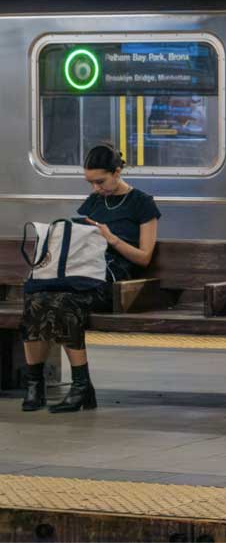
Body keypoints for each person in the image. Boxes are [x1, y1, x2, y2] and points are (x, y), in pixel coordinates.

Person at [21, 145, 160, 413]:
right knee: (36, 299)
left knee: (65, 303)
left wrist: (112, 238)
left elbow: (144, 257)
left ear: (117, 172)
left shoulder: (143, 203)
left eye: (100, 181)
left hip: (115, 282)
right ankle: (34, 383)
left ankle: (81, 386)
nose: (96, 188)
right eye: (91, 182)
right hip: (83, 275)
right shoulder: (94, 202)